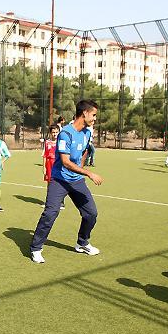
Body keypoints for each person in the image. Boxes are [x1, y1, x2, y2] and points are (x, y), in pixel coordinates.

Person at [30, 100, 103, 264]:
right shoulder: (65, 134)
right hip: (59, 180)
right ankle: (36, 248)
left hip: (76, 181)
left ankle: (82, 242)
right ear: (84, 113)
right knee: (50, 213)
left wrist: (81, 168)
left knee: (91, 213)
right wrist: (88, 173)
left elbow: (84, 151)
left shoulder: (87, 133)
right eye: (93, 115)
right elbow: (65, 162)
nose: (95, 119)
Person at [42, 125, 65, 210]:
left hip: (58, 165)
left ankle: (61, 203)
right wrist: (44, 167)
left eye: (56, 132)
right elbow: (45, 155)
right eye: (53, 132)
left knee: (60, 183)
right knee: (49, 184)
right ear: (50, 133)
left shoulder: (61, 142)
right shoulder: (47, 142)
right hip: (49, 165)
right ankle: (48, 202)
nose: (55, 134)